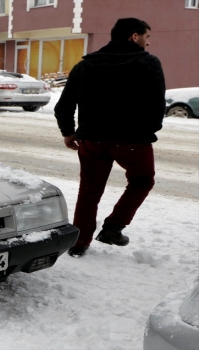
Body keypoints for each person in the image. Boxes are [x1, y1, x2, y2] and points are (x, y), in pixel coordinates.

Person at [54, 18, 166, 257]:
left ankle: (79, 242)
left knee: (89, 191)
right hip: (133, 141)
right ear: (134, 36)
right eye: (147, 37)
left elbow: (63, 106)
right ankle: (113, 227)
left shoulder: (85, 66)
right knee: (142, 181)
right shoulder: (148, 63)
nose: (148, 42)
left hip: (92, 141)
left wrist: (68, 133)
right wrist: (149, 132)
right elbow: (157, 105)